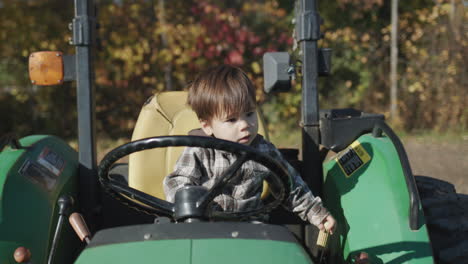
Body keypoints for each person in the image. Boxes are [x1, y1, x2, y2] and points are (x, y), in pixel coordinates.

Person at [163, 65, 336, 233]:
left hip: (252, 232)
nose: (245, 125)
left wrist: (317, 214)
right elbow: (178, 182)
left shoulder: (264, 151)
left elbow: (291, 187)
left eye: (250, 114)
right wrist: (192, 205)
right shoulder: (199, 150)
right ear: (207, 125)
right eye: (232, 120)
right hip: (207, 228)